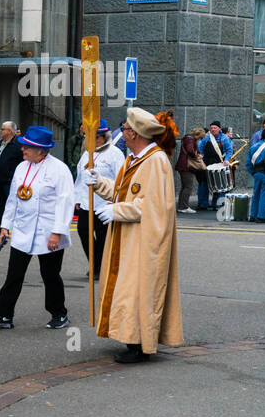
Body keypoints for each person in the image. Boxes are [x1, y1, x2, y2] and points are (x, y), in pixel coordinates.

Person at [81, 107, 184, 363]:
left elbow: (155, 207)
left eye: (126, 129)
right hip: (128, 238)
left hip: (144, 241)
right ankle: (131, 338)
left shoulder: (156, 161)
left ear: (136, 134)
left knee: (138, 290)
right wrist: (99, 182)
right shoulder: (133, 160)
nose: (122, 133)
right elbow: (121, 193)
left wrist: (118, 211)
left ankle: (139, 344)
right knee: (127, 289)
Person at [0, 126, 75, 329]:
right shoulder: (21, 167)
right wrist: (5, 227)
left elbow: (66, 203)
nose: (23, 149)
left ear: (41, 150)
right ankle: (4, 316)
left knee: (50, 275)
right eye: (24, 146)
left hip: (48, 232)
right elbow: (13, 200)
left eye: (27, 147)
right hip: (24, 230)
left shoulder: (59, 170)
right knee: (14, 274)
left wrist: (57, 232)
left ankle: (59, 314)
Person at [73, 119, 124, 280]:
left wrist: (115, 200)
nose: (92, 141)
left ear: (104, 137)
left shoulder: (115, 154)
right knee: (83, 232)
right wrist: (77, 198)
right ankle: (94, 262)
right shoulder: (87, 154)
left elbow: (120, 179)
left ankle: (100, 267)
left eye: (96, 137)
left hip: (104, 203)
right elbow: (80, 177)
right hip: (87, 203)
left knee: (102, 237)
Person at [0, 121, 23, 236]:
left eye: (3, 129)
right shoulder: (1, 143)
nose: (0, 131)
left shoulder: (18, 144)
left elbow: (22, 162)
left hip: (10, 181)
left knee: (12, 205)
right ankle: (1, 228)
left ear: (10, 131)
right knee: (0, 206)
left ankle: (18, 228)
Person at [196, 120, 233, 211]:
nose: (213, 129)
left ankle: (217, 204)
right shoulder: (207, 138)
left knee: (219, 184)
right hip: (207, 162)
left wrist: (227, 160)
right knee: (204, 183)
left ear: (219, 128)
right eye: (211, 128)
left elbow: (229, 150)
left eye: (215, 128)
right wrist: (201, 155)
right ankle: (202, 204)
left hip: (219, 162)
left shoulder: (225, 138)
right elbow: (200, 148)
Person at [175, 126, 205, 213]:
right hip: (186, 166)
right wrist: (197, 155)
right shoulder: (190, 140)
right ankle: (184, 207)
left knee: (184, 187)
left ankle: (182, 206)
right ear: (197, 135)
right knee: (188, 186)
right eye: (200, 137)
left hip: (183, 165)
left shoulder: (187, 138)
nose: (200, 139)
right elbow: (190, 150)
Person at [249, 127, 265, 223]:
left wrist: (253, 173)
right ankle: (261, 217)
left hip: (256, 174)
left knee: (256, 195)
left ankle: (253, 215)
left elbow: (248, 163)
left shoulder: (253, 147)